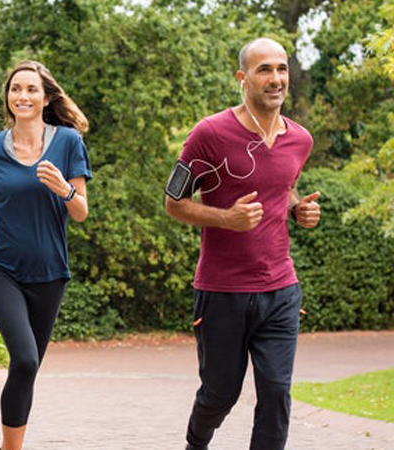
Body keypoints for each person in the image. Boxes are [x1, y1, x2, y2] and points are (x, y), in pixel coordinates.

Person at [164, 38, 321, 450]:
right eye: (264, 69)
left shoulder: (300, 139)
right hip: (222, 291)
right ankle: (195, 443)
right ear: (242, 78)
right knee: (220, 394)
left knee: (275, 393)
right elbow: (173, 202)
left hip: (280, 289)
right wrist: (225, 219)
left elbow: (282, 188)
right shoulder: (209, 134)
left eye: (282, 69)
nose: (276, 79)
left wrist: (296, 210)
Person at [0, 60, 91, 450]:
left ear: (45, 98)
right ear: (8, 98)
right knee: (24, 358)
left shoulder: (68, 142)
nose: (22, 96)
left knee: (28, 368)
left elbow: (81, 212)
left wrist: (64, 189)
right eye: (15, 89)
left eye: (30, 90)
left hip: (49, 272)